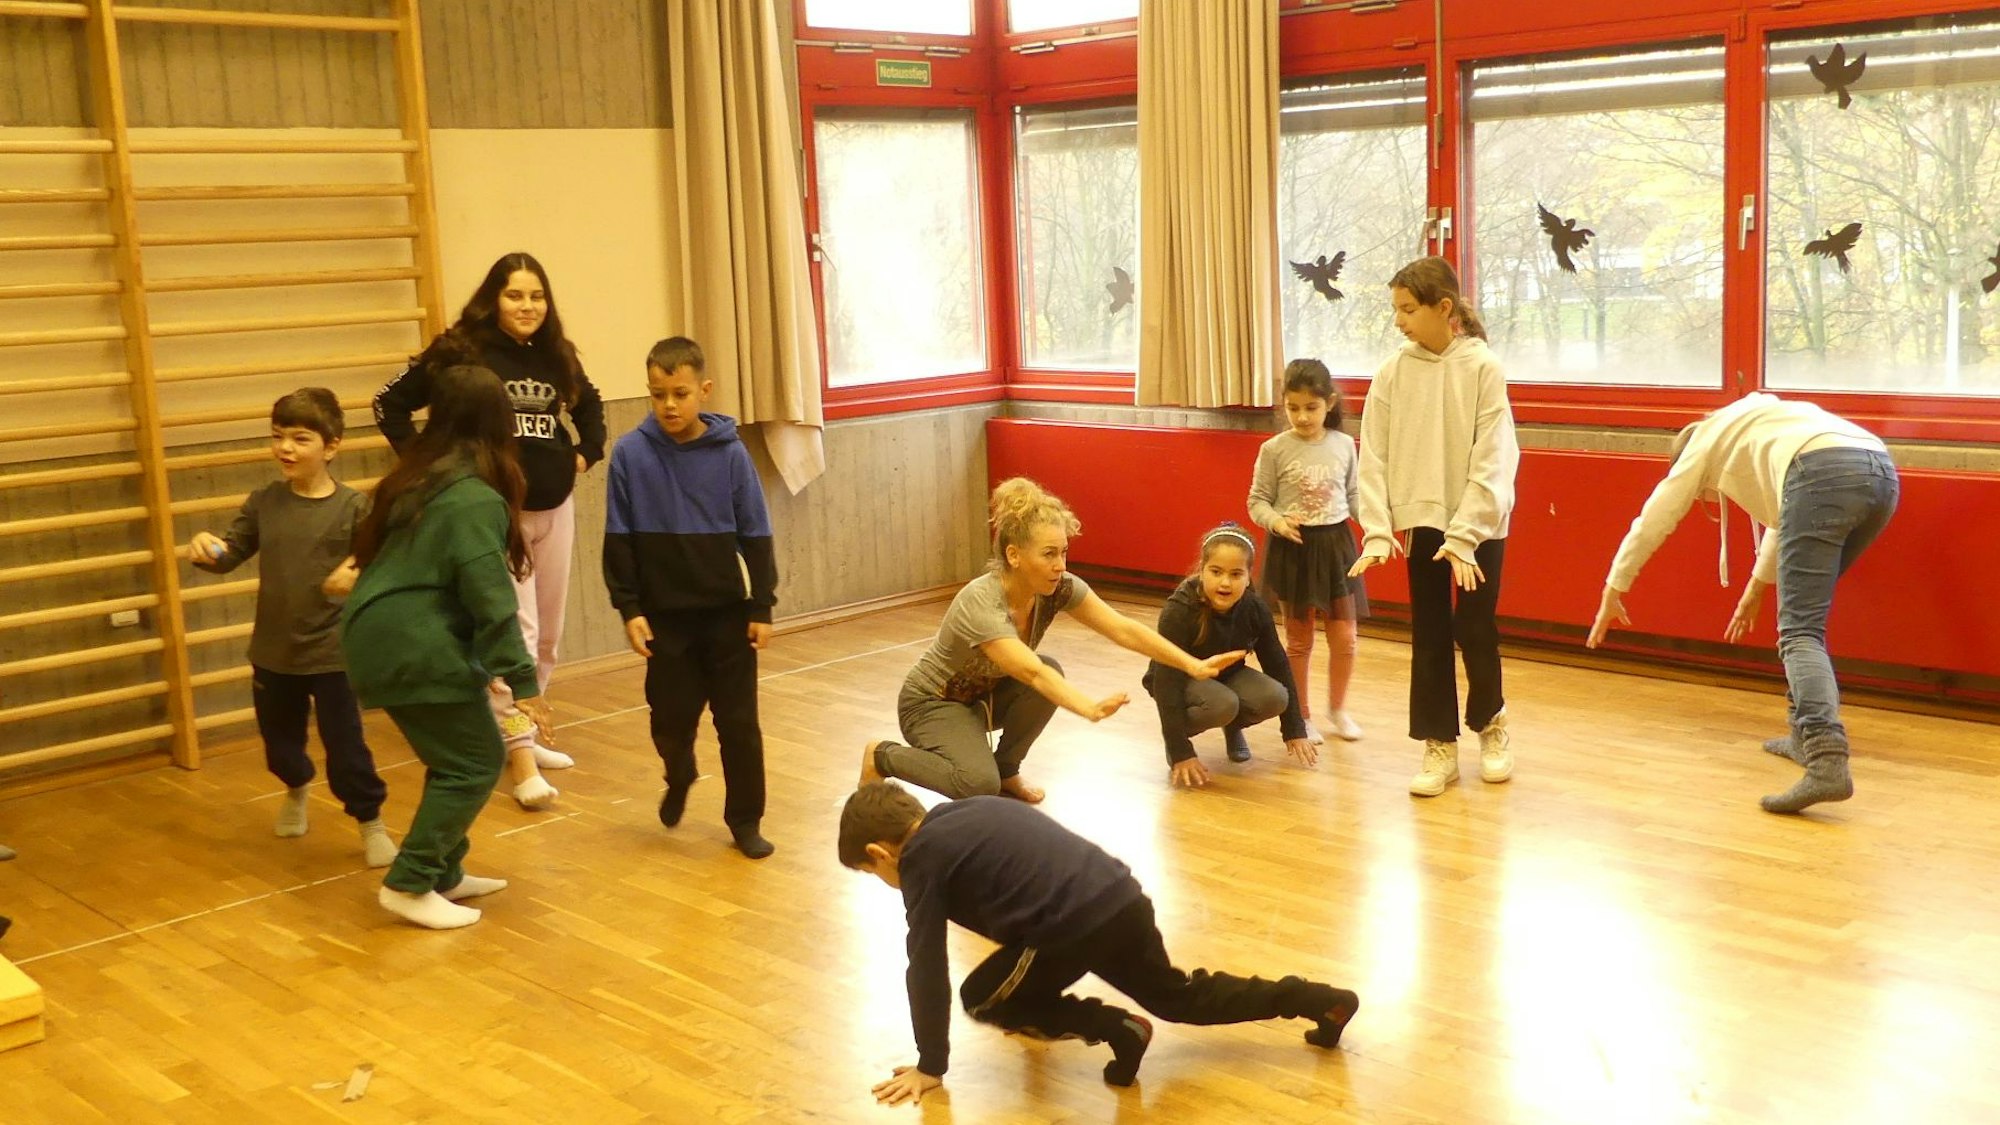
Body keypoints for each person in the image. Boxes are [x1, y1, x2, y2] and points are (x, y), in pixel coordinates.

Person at [839, 782, 1361, 1103]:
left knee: (982, 995)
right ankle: (1322, 1001)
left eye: (871, 872)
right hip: (1119, 895)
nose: (884, 880)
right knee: (1178, 997)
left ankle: (1117, 1027)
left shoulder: (921, 858)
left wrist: (931, 1064)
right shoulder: (969, 808)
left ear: (879, 853)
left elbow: (924, 963)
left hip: (1071, 923)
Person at [1587, 392, 1899, 814]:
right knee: (1805, 622)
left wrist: (1613, 587)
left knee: (1800, 631)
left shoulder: (1705, 443)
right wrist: (1754, 591)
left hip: (1823, 475)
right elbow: (1785, 516)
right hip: (1878, 470)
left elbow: (1655, 517)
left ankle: (1827, 760)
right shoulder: (1757, 421)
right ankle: (1802, 739)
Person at [374, 251, 605, 807]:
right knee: (514, 636)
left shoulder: (557, 354)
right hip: (496, 516)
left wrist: (585, 454)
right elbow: (389, 404)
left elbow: (591, 406)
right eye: (514, 295)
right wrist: (429, 467)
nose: (527, 306)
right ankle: (521, 761)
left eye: (536, 296)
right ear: (493, 298)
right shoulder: (460, 351)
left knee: (547, 635)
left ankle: (525, 725)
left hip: (556, 508)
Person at [860, 478, 1244, 803]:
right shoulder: (981, 602)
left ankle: (1007, 770)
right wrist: (1088, 708)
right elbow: (1030, 673)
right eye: (1048, 554)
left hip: (982, 697)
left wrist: (1191, 664)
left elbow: (1122, 627)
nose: (1061, 564)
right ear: (1013, 555)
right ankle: (883, 756)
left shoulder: (1058, 588)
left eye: (1063, 552)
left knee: (1050, 669)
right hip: (931, 704)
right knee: (977, 783)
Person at [341, 365, 551, 929]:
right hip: (411, 642)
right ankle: (409, 882)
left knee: (454, 758)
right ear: (497, 424)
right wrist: (524, 684)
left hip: (383, 636)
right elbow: (490, 599)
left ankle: (443, 873)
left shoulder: (420, 479)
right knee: (477, 761)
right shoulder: (470, 498)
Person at [188, 388, 393, 867]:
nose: (286, 448)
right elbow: (229, 553)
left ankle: (371, 822)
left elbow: (382, 565)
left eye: (301, 439)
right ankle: (296, 787)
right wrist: (206, 547)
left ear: (332, 446)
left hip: (333, 654)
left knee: (347, 751)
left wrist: (358, 572)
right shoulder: (264, 502)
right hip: (274, 653)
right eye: (278, 437)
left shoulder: (354, 509)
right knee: (281, 750)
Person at [1349, 256, 1521, 798]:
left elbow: (1494, 457)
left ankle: (1491, 724)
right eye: (1396, 309)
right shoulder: (1393, 372)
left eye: (1407, 309)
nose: (1398, 321)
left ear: (1443, 309)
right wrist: (1378, 530)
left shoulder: (1482, 368)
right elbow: (1372, 454)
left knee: (1474, 628)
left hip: (1479, 528)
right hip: (1422, 523)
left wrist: (1466, 534)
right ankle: (1437, 743)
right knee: (1428, 632)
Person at [604, 337, 777, 859]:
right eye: (658, 395)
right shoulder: (630, 455)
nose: (670, 405)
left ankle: (744, 820)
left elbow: (756, 532)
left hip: (726, 617)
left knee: (739, 725)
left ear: (703, 390)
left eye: (679, 393)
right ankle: (679, 774)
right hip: (665, 621)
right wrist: (630, 607)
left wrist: (762, 605)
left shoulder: (731, 454)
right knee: (669, 721)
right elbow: (619, 536)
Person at [1248, 358, 1370, 744]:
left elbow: (1353, 495)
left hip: (1336, 548)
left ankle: (1339, 709)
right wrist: (1278, 522)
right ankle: (1301, 716)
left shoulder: (1343, 445)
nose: (1302, 417)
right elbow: (1257, 501)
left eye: (1311, 408)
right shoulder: (1274, 449)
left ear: (1329, 403)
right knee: (1299, 642)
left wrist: (1376, 526)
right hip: (1293, 550)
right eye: (1293, 408)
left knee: (1346, 638)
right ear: (1283, 405)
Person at [1143, 523, 1315, 787]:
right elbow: (1167, 681)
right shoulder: (1179, 609)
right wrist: (1180, 750)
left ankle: (1232, 727)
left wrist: (1294, 728)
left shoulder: (1254, 608)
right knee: (1224, 704)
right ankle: (1176, 736)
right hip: (1180, 679)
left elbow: (1278, 665)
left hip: (1226, 676)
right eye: (1216, 572)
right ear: (1202, 570)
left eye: (1236, 574)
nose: (1225, 582)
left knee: (1275, 696)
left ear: (1248, 577)